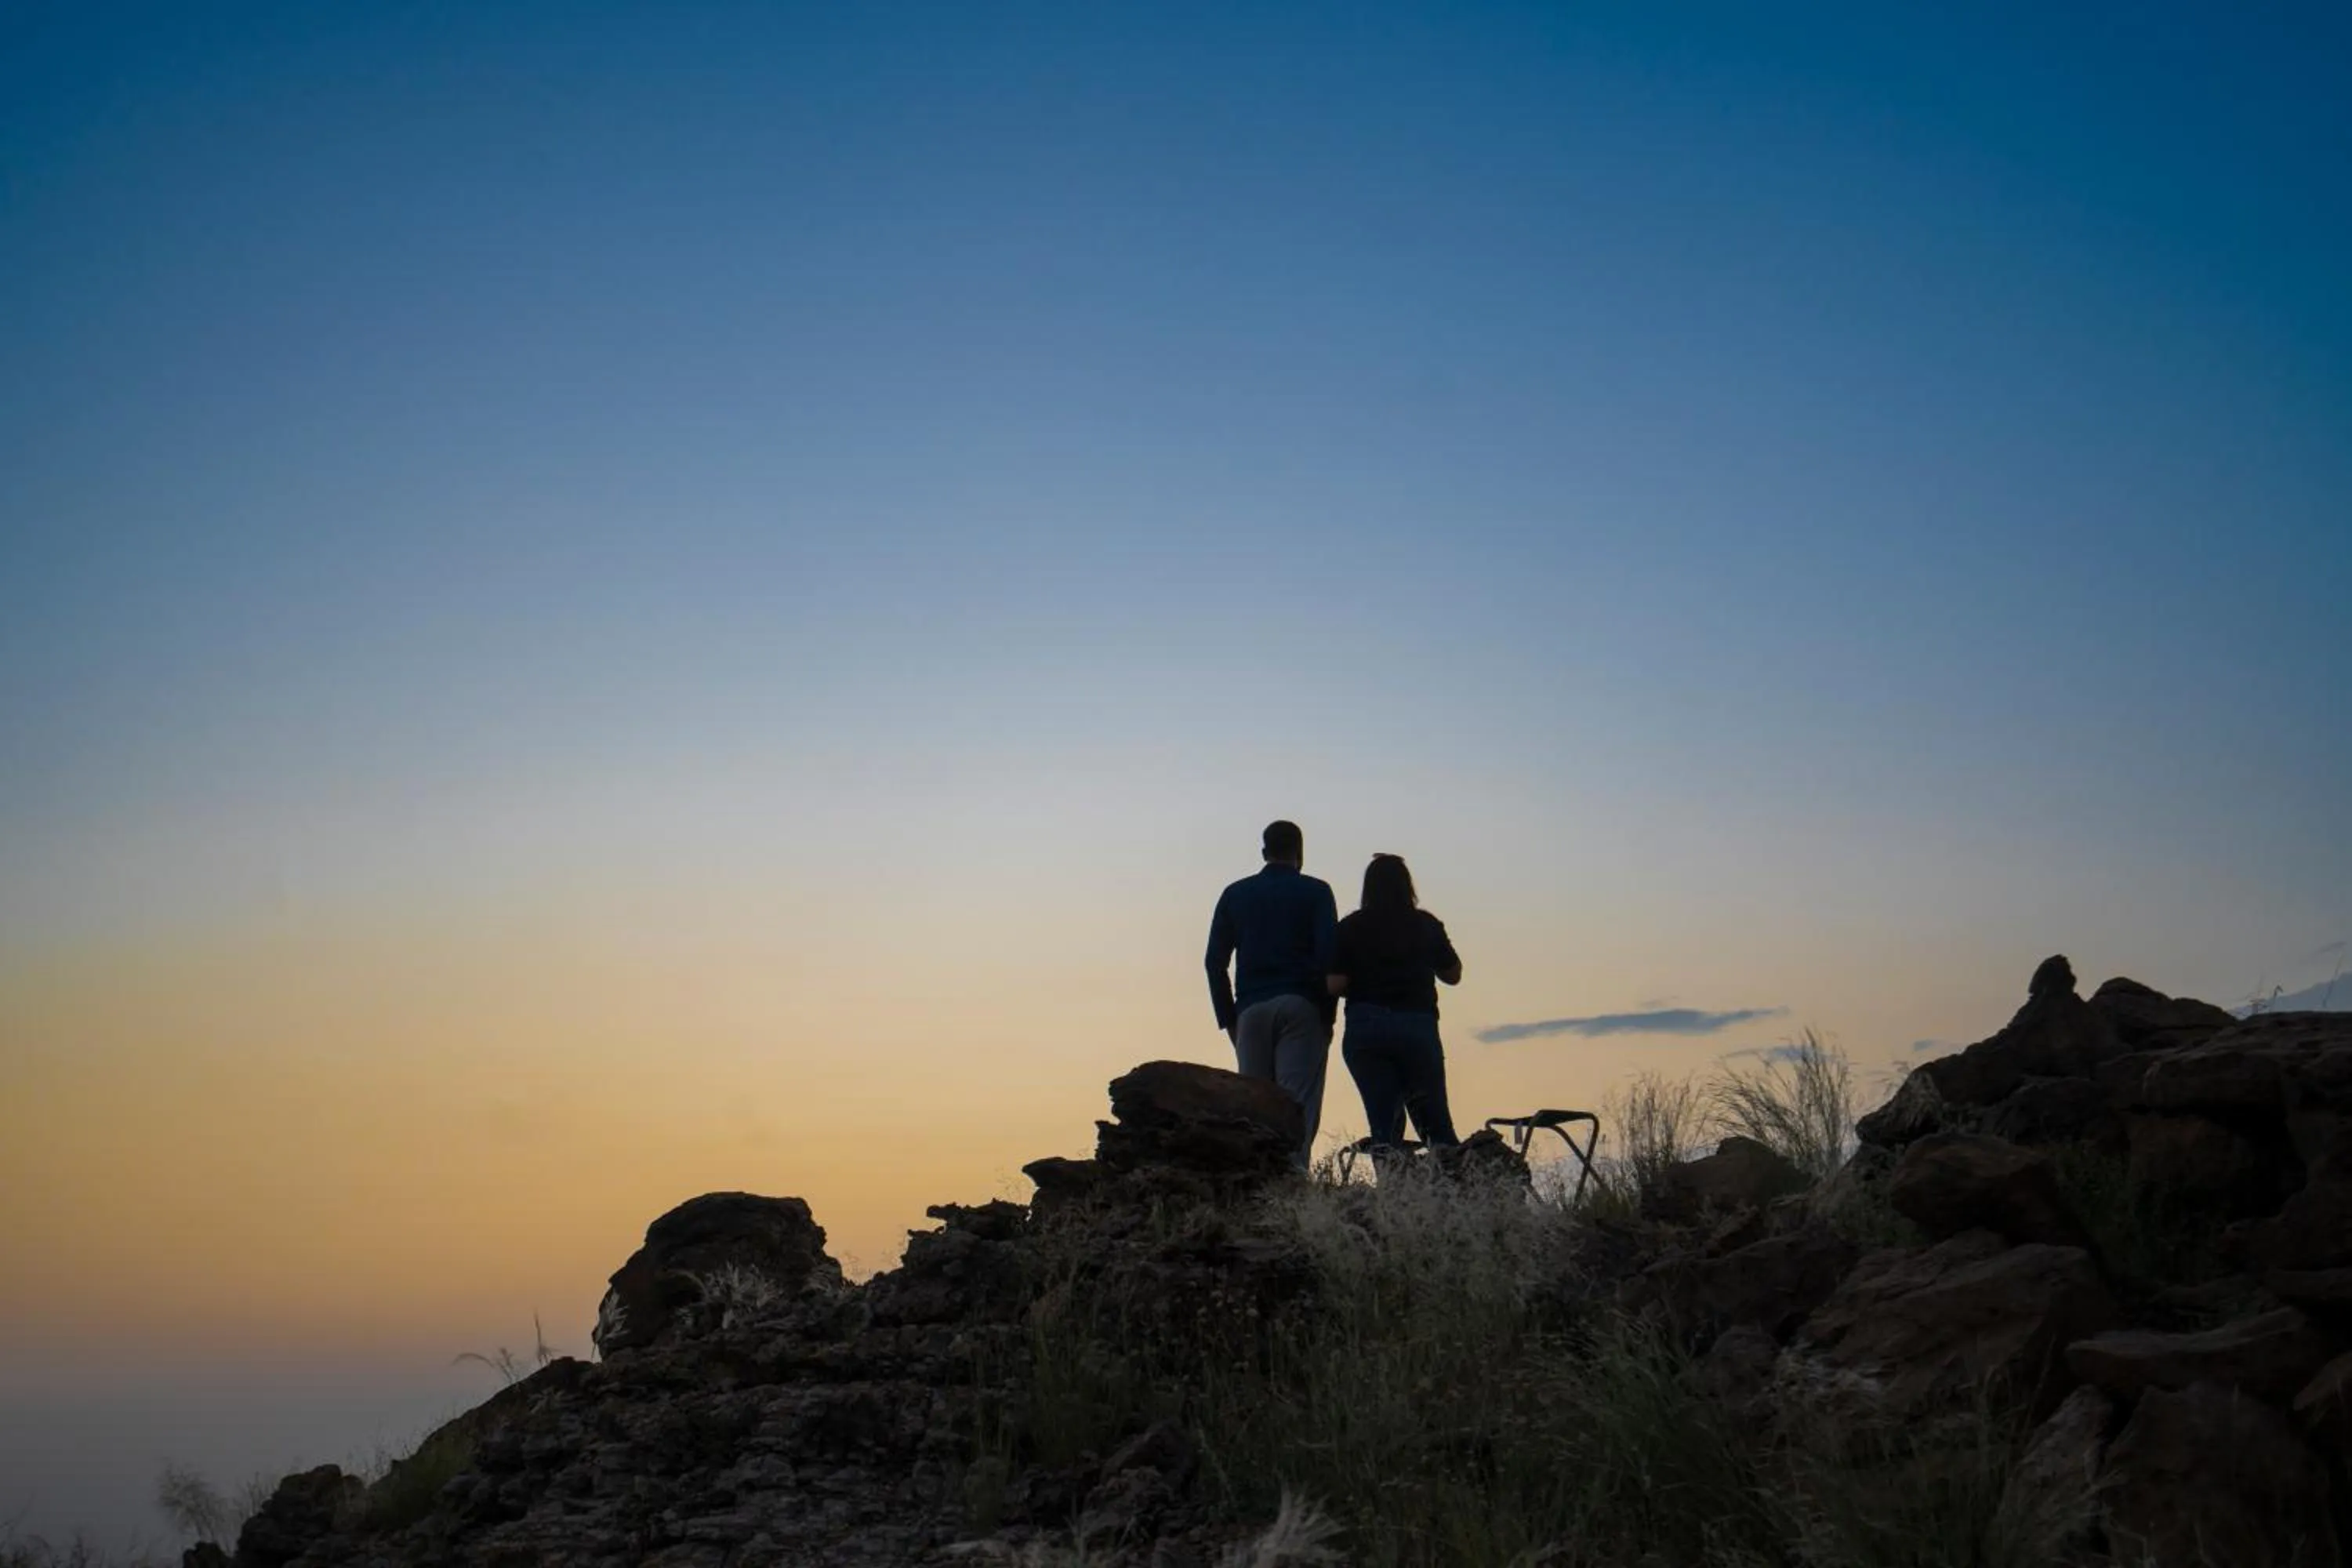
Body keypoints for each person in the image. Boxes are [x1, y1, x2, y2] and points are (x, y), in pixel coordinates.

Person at [1204, 819, 1339, 1167]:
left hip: (1251, 1009)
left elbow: (1214, 963)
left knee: (1256, 1115)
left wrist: (1229, 1020)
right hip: (1301, 1005)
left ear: (1265, 852)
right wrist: (1327, 1017)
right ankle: (1294, 1194)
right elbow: (1329, 957)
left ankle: (1260, 1196)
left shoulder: (1235, 894)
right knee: (1296, 1110)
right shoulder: (1318, 892)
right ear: (1300, 852)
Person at [1328, 853, 1462, 1155]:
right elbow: (1453, 975)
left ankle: (1392, 1197)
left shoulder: (1350, 927)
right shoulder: (1426, 924)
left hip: (1367, 1028)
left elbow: (1334, 985)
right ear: (1408, 887)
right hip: (1417, 1026)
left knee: (1384, 1127)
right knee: (1435, 1124)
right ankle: (1454, 1194)